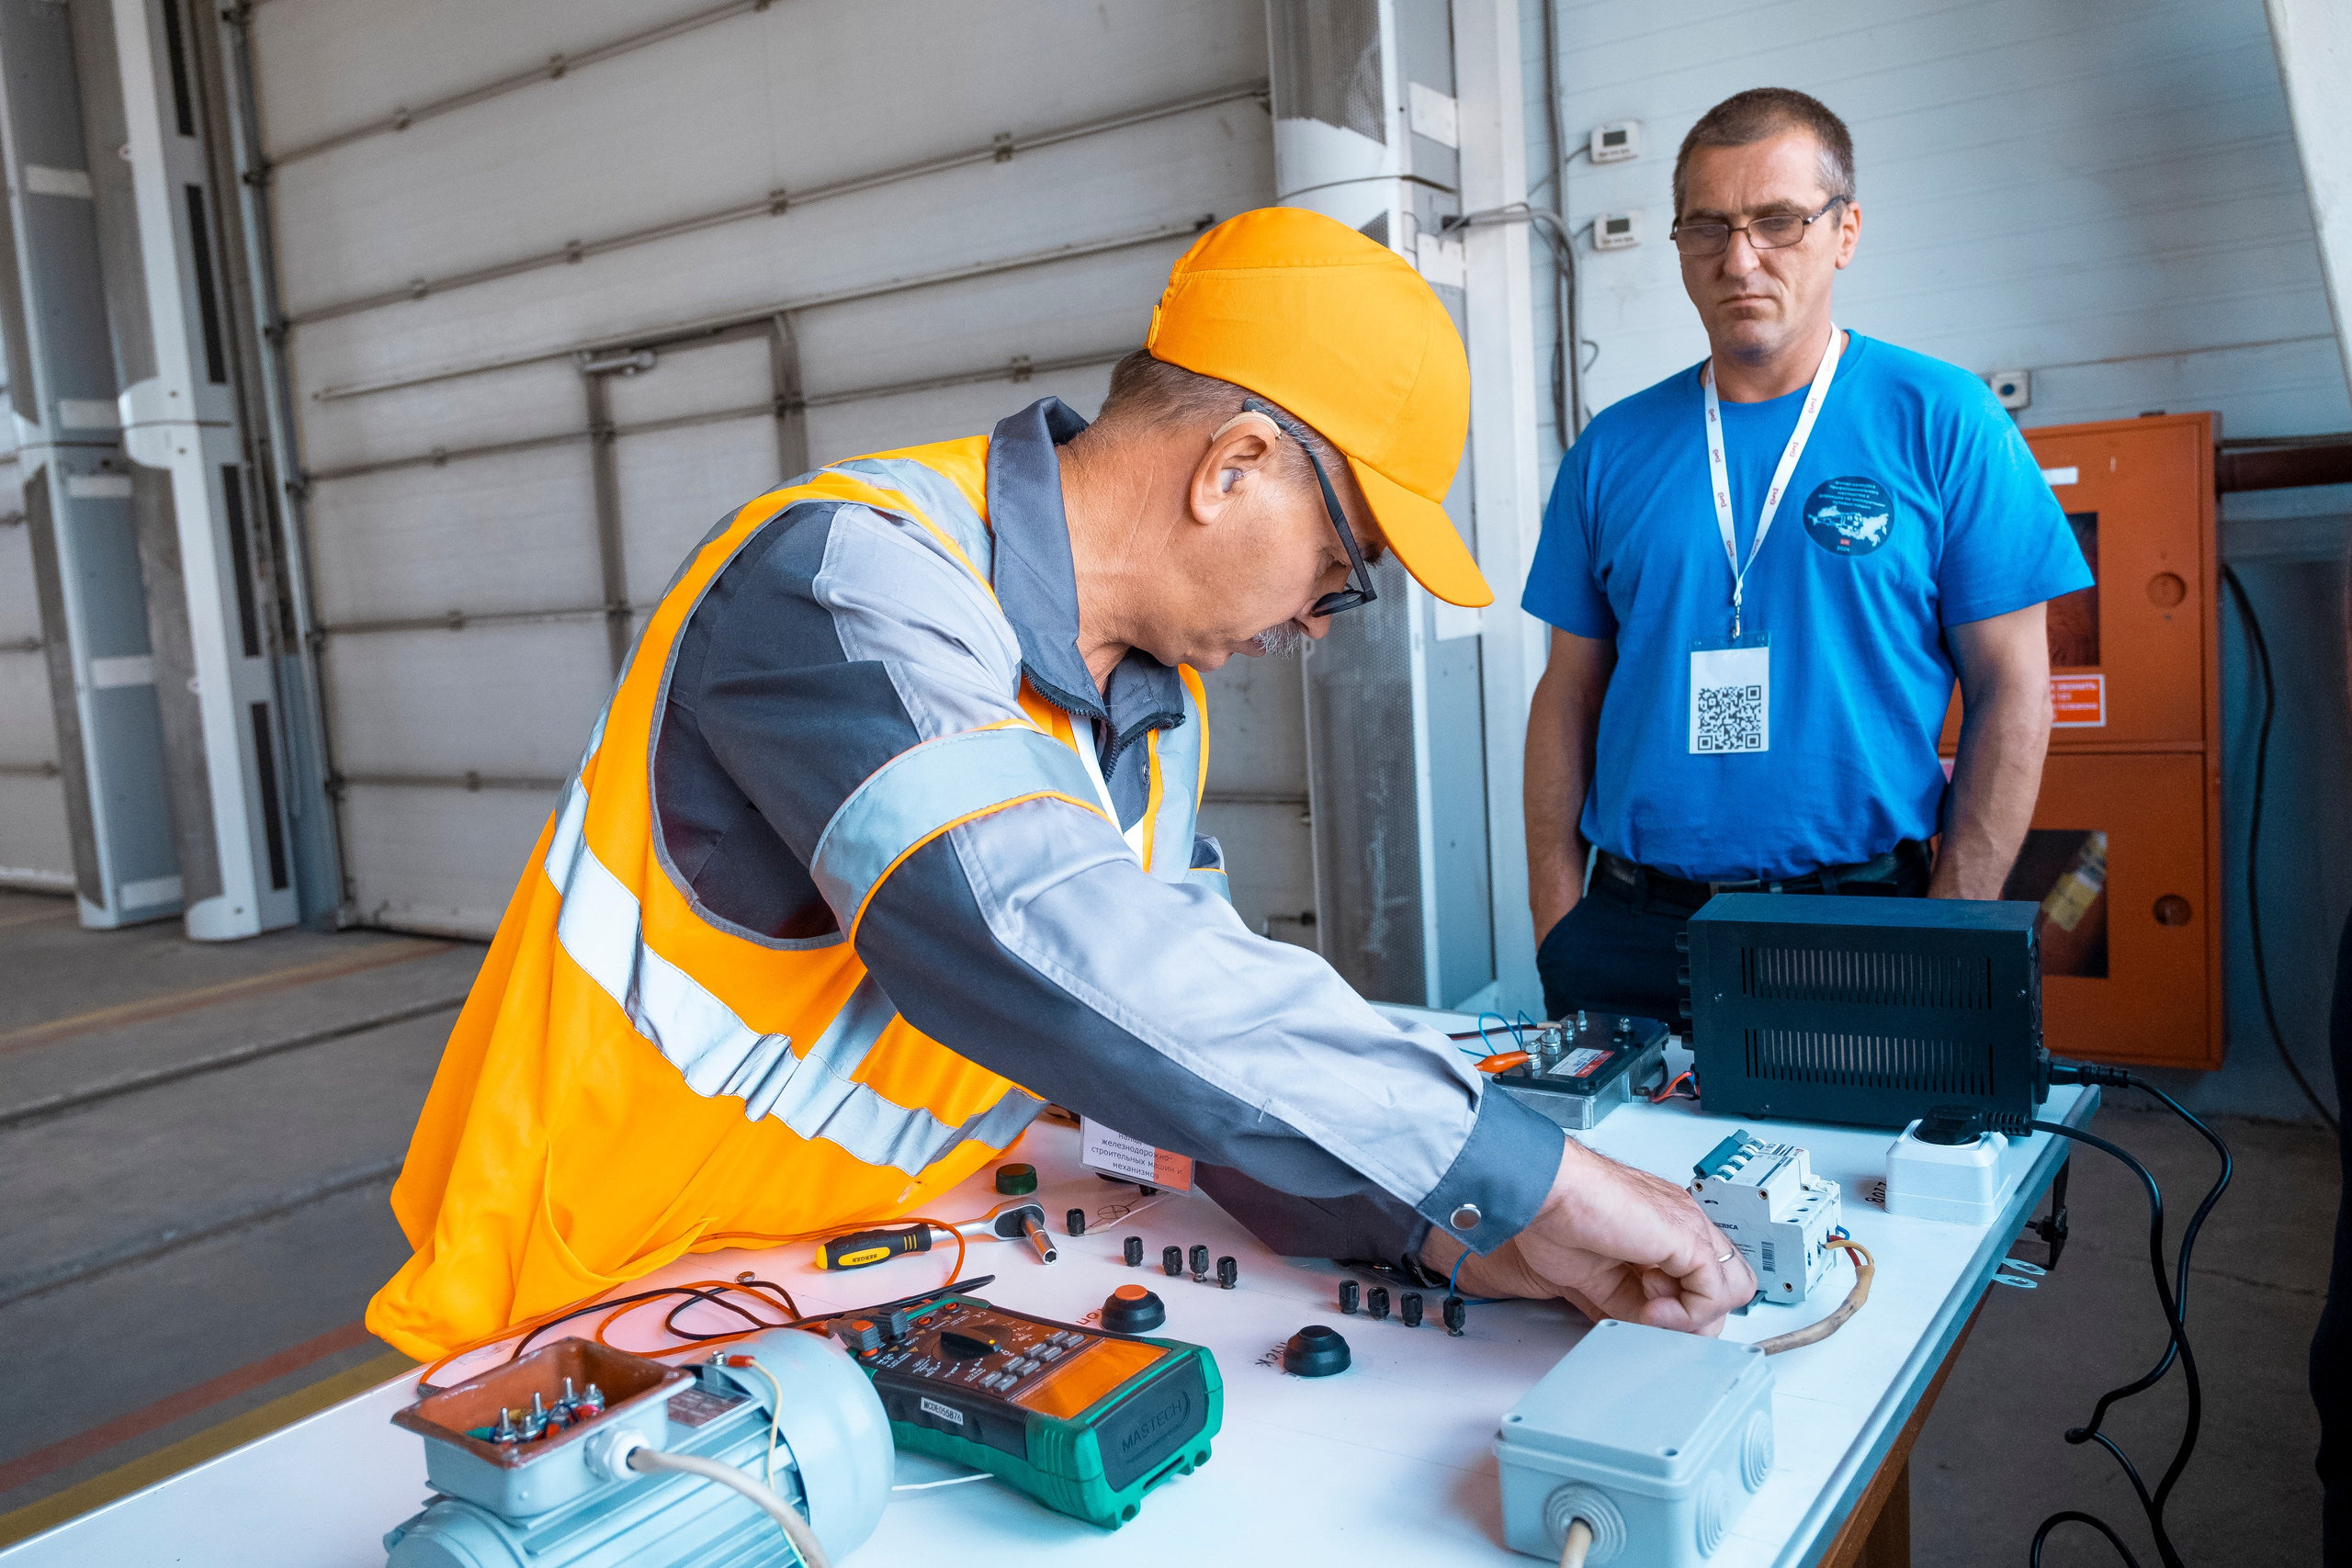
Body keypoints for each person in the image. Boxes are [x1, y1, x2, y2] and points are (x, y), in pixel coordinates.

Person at [368, 208, 1754, 1361]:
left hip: (848, 1277)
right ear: (1236, 467)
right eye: (1344, 568)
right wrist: (1523, 1164)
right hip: (585, 1302)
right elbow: (1032, 924)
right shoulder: (848, 579)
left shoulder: (1155, 719)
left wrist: (1452, 1231)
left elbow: (1167, 1058)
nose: (1321, 622)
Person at [1521, 88, 2091, 1021]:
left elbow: (2014, 689)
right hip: (1628, 925)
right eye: (1707, 227)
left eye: (1777, 222)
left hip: (1862, 921)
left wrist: (1952, 927)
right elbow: (1567, 691)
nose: (1738, 258)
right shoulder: (1611, 451)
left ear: (1845, 230)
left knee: (1854, 1173)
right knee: (1619, 1173)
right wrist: (1557, 915)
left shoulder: (1943, 422)